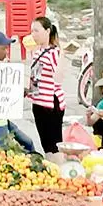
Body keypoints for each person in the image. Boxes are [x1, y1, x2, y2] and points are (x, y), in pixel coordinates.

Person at [27, 16, 66, 154]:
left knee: (54, 144)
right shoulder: (36, 52)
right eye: (32, 31)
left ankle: (58, 164)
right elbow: (35, 77)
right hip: (38, 101)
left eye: (36, 31)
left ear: (47, 31)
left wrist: (62, 54)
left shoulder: (54, 53)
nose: (33, 34)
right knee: (45, 144)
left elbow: (59, 79)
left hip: (50, 103)